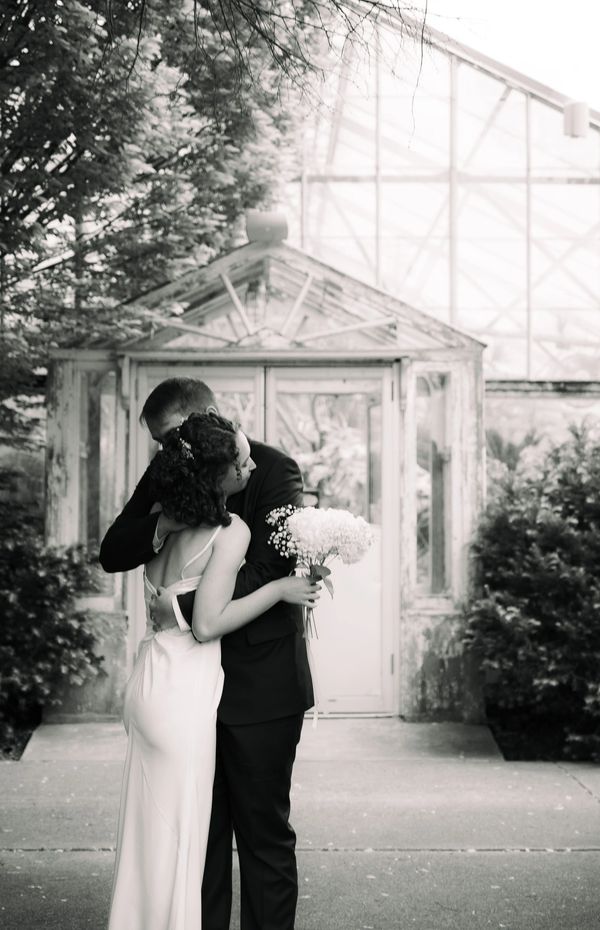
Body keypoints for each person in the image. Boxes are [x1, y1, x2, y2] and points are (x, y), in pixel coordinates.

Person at [100, 377, 315, 930]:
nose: (168, 452)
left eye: (172, 436)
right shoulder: (169, 472)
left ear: (209, 417)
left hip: (259, 686)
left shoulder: (272, 470)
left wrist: (180, 608)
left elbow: (270, 568)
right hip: (186, 694)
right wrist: (165, 523)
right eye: (160, 443)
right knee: (201, 837)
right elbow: (113, 550)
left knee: (264, 836)